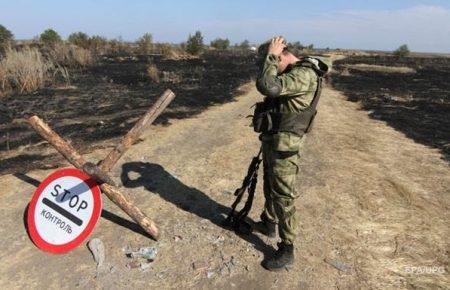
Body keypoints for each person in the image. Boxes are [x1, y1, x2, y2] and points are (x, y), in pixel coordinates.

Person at [253, 36, 330, 271]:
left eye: (275, 60)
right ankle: (269, 221)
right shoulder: (295, 72)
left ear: (284, 54)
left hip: (286, 146)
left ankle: (287, 248)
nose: (272, 65)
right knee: (269, 184)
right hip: (275, 139)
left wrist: (272, 55)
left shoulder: (303, 74)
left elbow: (267, 86)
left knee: (283, 196)